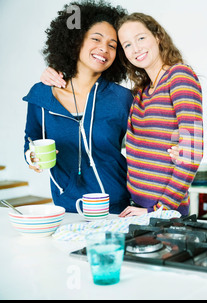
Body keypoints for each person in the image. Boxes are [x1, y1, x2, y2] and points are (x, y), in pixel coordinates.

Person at [24, 1, 132, 214]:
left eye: (113, 45)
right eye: (96, 39)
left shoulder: (121, 98)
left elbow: (145, 147)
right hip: (67, 207)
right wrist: (32, 158)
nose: (104, 48)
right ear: (76, 41)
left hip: (118, 208)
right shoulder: (42, 94)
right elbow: (31, 139)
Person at [116, 13, 203, 217]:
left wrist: (157, 211)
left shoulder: (179, 76)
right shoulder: (141, 92)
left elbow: (192, 151)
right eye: (127, 45)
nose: (135, 48)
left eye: (141, 38)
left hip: (165, 213)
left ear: (157, 36)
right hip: (138, 207)